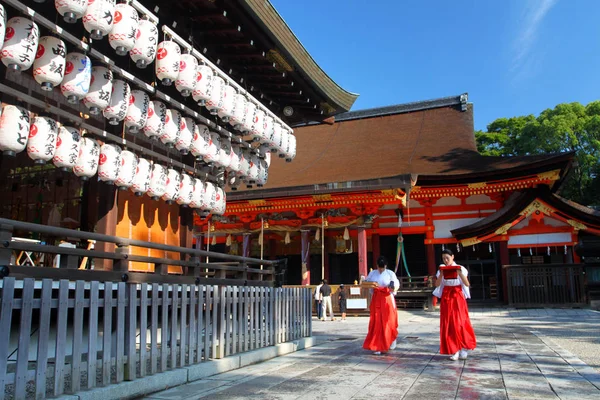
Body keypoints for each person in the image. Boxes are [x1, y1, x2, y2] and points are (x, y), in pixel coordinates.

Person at [433, 249, 477, 361]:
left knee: (461, 322)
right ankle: (454, 349)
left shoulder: (461, 268)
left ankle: (464, 347)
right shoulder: (441, 269)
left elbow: (467, 284)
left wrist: (459, 273)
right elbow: (437, 284)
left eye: (447, 258)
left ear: (452, 257)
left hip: (457, 296)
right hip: (447, 297)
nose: (446, 260)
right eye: (443, 258)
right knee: (449, 323)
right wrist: (441, 274)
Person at [362, 256, 400, 355]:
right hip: (377, 298)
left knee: (389, 321)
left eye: (382, 267)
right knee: (377, 321)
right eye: (379, 267)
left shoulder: (390, 273)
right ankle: (377, 345)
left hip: (387, 298)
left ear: (386, 266)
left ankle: (391, 339)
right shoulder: (373, 273)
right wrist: (368, 283)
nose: (381, 269)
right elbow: (367, 282)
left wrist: (392, 287)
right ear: (377, 266)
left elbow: (395, 284)